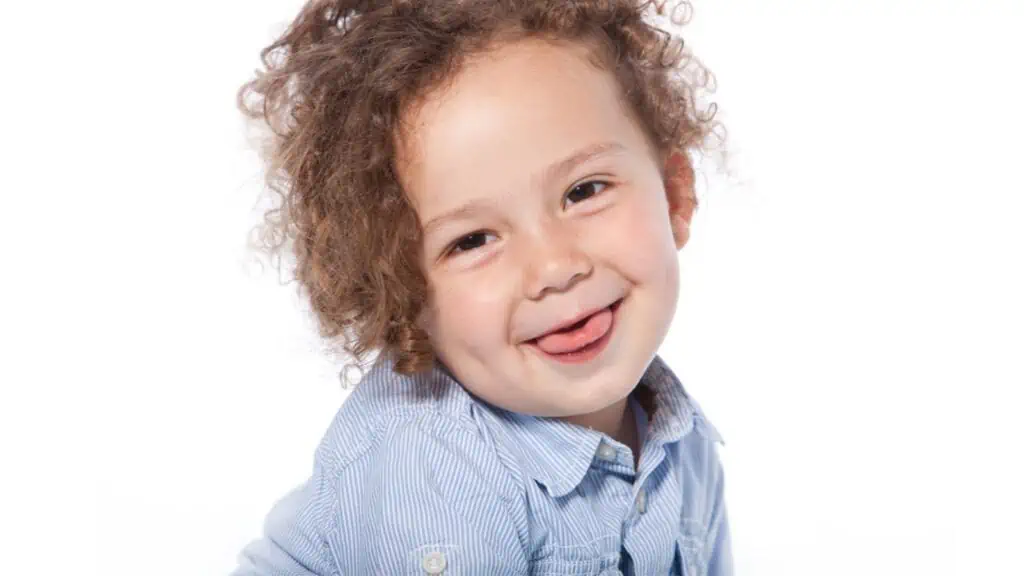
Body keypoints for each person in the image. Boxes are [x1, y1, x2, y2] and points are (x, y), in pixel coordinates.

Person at [232, 0, 731, 574]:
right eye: (472, 241)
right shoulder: (432, 477)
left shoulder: (678, 437)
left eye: (585, 190)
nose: (554, 267)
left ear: (674, 196)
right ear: (400, 294)